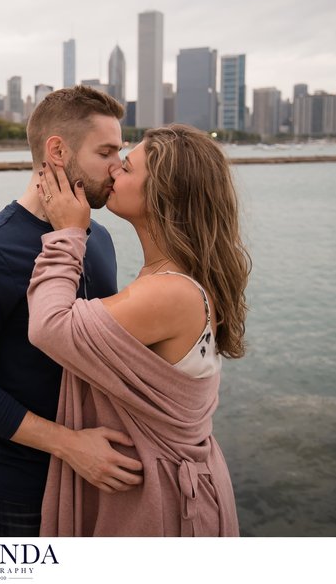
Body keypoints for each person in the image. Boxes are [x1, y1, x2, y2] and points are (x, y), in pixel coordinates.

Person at [0, 86, 145, 537]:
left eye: (121, 152)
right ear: (57, 151)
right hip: (15, 485)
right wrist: (71, 446)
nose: (117, 167)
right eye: (106, 151)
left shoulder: (99, 237)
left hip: (93, 471)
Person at [28, 124, 250, 536]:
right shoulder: (182, 275)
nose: (112, 172)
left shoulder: (169, 292)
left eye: (126, 167)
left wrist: (67, 234)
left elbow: (49, 327)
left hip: (165, 507)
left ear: (161, 195)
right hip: (179, 490)